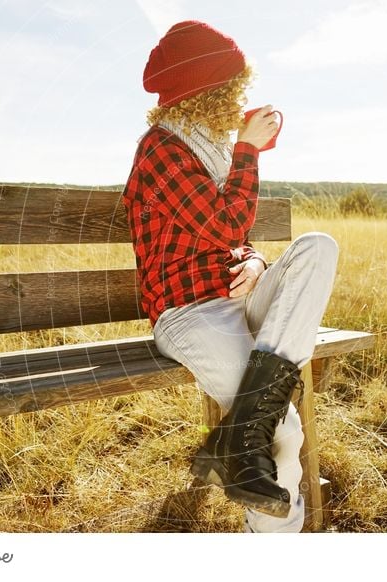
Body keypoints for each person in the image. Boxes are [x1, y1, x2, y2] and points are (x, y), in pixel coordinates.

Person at [122, 20, 339, 533]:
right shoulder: (162, 149)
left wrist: (257, 262)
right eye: (232, 87)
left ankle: (247, 426)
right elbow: (223, 223)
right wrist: (248, 151)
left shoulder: (210, 146)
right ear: (207, 90)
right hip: (190, 313)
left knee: (317, 249)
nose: (239, 97)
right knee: (279, 428)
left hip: (237, 296)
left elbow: (231, 239)